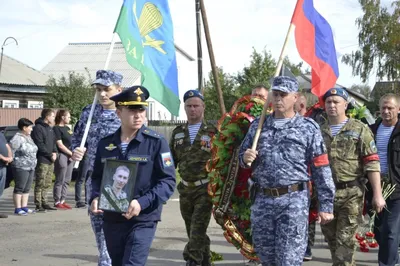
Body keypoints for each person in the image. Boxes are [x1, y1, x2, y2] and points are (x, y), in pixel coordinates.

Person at [239, 76, 335, 266]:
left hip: (293, 202)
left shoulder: (308, 128)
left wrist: (326, 205)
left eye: (283, 95)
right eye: (275, 94)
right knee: (266, 259)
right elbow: (242, 158)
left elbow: (321, 167)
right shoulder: (259, 125)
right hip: (263, 200)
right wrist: (245, 157)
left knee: (288, 260)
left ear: (295, 97)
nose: (278, 99)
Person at [89, 85, 176, 266]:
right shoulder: (105, 144)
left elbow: (168, 182)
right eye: (132, 110)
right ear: (119, 112)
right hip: (112, 219)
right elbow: (96, 176)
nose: (138, 115)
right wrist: (96, 197)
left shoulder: (156, 143)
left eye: (141, 109)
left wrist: (141, 202)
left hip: (142, 219)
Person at [319, 88, 385, 266]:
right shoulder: (319, 131)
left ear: (345, 105)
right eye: (328, 102)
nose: (332, 105)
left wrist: (377, 195)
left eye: (336, 102)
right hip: (326, 195)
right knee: (333, 242)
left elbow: (372, 162)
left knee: (345, 244)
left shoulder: (359, 129)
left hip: (351, 194)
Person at [71, 69, 123, 266]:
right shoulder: (89, 112)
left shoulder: (127, 112)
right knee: (100, 232)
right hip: (95, 180)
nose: (102, 94)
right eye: (98, 89)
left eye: (106, 89)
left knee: (119, 232)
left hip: (120, 180)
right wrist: (75, 150)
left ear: (119, 89)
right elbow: (76, 139)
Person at [170, 89, 216, 266]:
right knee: (193, 230)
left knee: (197, 228)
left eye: (196, 105)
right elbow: (171, 160)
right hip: (185, 189)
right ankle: (205, 261)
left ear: (203, 107)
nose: (192, 109)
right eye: (189, 106)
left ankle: (192, 260)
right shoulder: (177, 132)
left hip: (204, 189)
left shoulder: (213, 131)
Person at [369, 93, 400, 266]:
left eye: (390, 108)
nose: (386, 111)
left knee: (390, 231)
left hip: (397, 189)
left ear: (398, 109)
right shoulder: (371, 130)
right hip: (375, 187)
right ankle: (393, 260)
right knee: (379, 230)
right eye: (383, 108)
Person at [9, 118, 38, 215]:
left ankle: (24, 206)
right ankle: (18, 208)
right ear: (24, 127)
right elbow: (11, 152)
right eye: (30, 127)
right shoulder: (17, 138)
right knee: (20, 187)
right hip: (21, 166)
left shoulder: (28, 137)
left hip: (31, 166)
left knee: (27, 187)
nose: (31, 129)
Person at [31, 108, 58, 212]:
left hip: (51, 159)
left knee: (47, 182)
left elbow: (53, 142)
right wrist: (49, 154)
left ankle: (45, 202)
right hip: (42, 159)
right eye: (52, 116)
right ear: (47, 117)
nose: (53, 118)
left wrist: (55, 152)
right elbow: (40, 144)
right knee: (40, 182)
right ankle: (38, 204)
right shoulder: (38, 128)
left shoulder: (50, 128)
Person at [53, 109, 74, 210]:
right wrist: (71, 153)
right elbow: (60, 145)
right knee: (60, 179)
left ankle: (63, 200)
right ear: (62, 117)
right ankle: (57, 201)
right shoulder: (56, 128)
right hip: (62, 155)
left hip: (71, 156)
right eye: (68, 116)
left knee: (67, 179)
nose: (70, 118)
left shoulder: (68, 128)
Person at [0, 131, 13, 218]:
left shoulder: (1, 134)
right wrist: (3, 158)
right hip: (2, 162)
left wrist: (10, 156)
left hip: (3, 165)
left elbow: (7, 146)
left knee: (0, 189)